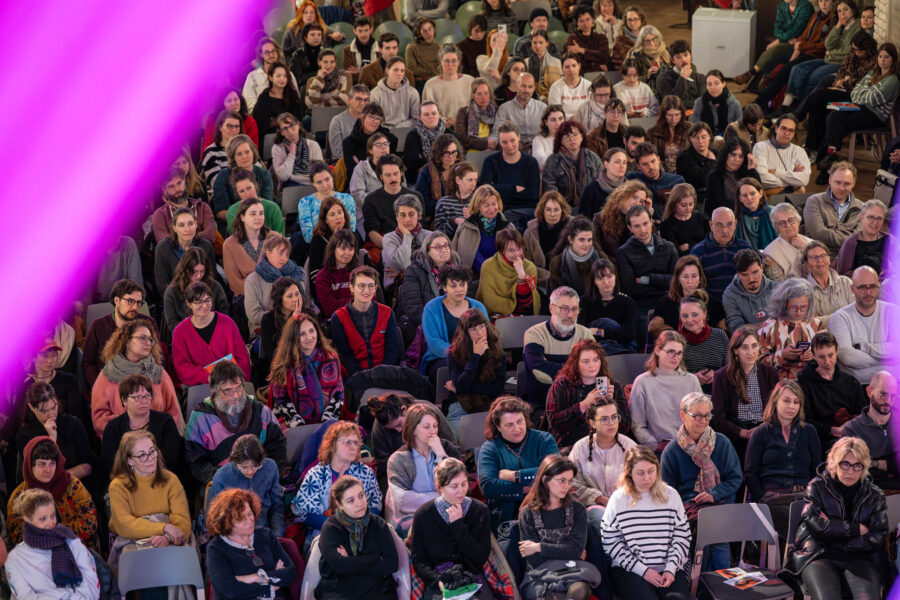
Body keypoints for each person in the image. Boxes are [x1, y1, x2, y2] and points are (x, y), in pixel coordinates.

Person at [786, 437, 887, 600]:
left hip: (860, 557)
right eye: (845, 464)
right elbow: (816, 526)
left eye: (857, 465)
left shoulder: (875, 495)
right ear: (833, 462)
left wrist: (835, 535)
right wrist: (855, 529)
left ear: (865, 466)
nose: (851, 471)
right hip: (819, 554)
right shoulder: (817, 486)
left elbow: (877, 537)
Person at [660, 392, 742, 571]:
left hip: (721, 501)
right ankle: (703, 580)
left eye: (707, 415)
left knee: (715, 527)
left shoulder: (722, 442)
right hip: (688, 507)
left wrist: (714, 495)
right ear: (683, 415)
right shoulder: (671, 451)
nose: (703, 421)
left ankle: (717, 580)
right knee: (704, 528)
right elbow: (667, 492)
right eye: (697, 416)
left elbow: (735, 478)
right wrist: (690, 503)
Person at [601, 446, 694, 600]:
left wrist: (670, 568)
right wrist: (643, 571)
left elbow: (682, 536)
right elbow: (610, 542)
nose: (647, 477)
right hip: (630, 570)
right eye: (640, 473)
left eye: (651, 471)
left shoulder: (671, 495)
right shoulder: (618, 499)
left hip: (669, 568)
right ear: (629, 473)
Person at [185, 361, 287, 486]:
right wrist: (229, 480)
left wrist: (265, 477)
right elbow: (197, 464)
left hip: (261, 480)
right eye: (228, 390)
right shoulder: (200, 419)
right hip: (223, 485)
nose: (236, 395)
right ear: (214, 391)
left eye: (239, 388)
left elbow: (279, 449)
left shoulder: (261, 412)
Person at [409, 457, 493, 600]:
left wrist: (458, 525)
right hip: (440, 579)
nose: (461, 491)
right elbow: (419, 560)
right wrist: (438, 581)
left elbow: (480, 557)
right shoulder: (423, 515)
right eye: (454, 486)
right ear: (439, 487)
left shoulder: (480, 510)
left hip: (472, 577)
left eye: (464, 484)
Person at [517, 455, 599, 600]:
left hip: (572, 571)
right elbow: (534, 559)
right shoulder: (528, 512)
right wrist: (566, 551)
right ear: (545, 480)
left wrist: (539, 547)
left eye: (570, 481)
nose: (567, 486)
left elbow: (575, 550)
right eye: (562, 480)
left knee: (579, 590)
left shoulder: (577, 510)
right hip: (539, 575)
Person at [744, 380, 821, 533]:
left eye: (796, 402)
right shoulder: (761, 433)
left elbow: (817, 469)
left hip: (804, 496)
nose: (791, 406)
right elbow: (750, 472)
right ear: (775, 401)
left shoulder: (809, 431)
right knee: (804, 523)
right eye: (786, 400)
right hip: (773, 499)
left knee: (819, 518)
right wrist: (762, 497)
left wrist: (813, 495)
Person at [814, 42, 899, 180]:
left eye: (887, 57)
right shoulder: (873, 73)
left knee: (839, 124)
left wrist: (863, 93)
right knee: (833, 116)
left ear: (893, 59)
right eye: (880, 57)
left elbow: (873, 99)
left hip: (876, 115)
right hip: (861, 108)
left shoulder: (893, 80)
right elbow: (854, 93)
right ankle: (830, 156)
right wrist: (864, 94)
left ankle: (825, 163)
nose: (882, 60)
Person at [292, 421, 381, 546]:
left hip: (361, 532)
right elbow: (305, 513)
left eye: (356, 443)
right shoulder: (316, 474)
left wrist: (359, 525)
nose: (353, 447)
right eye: (347, 442)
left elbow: (375, 505)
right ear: (332, 444)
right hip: (324, 533)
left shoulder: (366, 473)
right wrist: (338, 526)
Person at [477, 396, 560, 529]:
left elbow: (556, 471)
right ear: (498, 427)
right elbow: (488, 486)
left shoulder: (544, 439)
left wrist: (514, 475)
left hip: (545, 506)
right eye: (509, 424)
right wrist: (526, 489)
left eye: (520, 421)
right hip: (506, 513)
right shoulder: (490, 448)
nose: (517, 428)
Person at [107, 430, 191, 560]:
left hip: (170, 540)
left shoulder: (171, 480)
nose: (150, 458)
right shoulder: (118, 486)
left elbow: (183, 521)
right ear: (130, 461)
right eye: (142, 455)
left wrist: (167, 537)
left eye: (152, 451)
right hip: (133, 541)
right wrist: (164, 527)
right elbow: (124, 525)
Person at [91, 320, 182, 438]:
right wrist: (132, 430)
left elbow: (174, 411)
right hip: (122, 441)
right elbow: (99, 418)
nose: (148, 343)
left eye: (150, 339)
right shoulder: (108, 374)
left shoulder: (159, 373)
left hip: (158, 440)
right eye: (143, 338)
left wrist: (157, 432)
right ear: (127, 342)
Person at [4, 488, 99, 600]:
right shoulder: (15, 559)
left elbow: (91, 583)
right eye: (43, 519)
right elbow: (25, 596)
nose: (50, 523)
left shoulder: (72, 541)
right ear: (27, 519)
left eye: (52, 516)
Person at [6, 437, 99, 551]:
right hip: (36, 554)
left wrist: (55, 533)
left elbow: (90, 522)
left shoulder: (72, 485)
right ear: (30, 465)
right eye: (42, 464)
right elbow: (16, 537)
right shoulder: (20, 496)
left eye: (52, 463)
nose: (48, 469)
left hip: (76, 548)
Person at [317, 475, 400, 600]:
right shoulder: (331, 528)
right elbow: (340, 565)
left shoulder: (378, 524)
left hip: (378, 589)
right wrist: (374, 557)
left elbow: (392, 564)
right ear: (339, 504)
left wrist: (351, 561)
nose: (359, 503)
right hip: (340, 590)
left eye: (361, 495)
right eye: (351, 500)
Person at [206, 489, 298, 600]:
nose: (249, 521)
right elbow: (230, 590)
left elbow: (290, 573)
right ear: (227, 523)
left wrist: (256, 577)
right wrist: (272, 582)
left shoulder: (266, 535)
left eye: (249, 513)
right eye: (241, 519)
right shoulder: (216, 548)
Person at [796, 31, 878, 153]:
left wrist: (848, 80)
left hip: (855, 96)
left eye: (858, 50)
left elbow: (862, 84)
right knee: (818, 105)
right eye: (854, 49)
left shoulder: (873, 61)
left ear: (866, 48)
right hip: (843, 89)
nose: (856, 52)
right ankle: (812, 147)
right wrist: (839, 79)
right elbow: (842, 69)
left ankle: (797, 118)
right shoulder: (853, 54)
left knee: (820, 95)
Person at [385, 403, 461, 534]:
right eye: (426, 427)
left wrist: (441, 455)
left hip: (448, 513)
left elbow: (457, 486)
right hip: (411, 518)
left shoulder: (448, 450)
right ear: (413, 429)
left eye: (435, 426)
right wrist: (443, 498)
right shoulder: (398, 459)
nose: (433, 431)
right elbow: (402, 500)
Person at [752, 0, 838, 112]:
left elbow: (823, 46)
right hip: (803, 50)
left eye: (827, 1)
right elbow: (804, 34)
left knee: (784, 71)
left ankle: (760, 103)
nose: (823, 4)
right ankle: (765, 102)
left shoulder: (834, 19)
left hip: (814, 54)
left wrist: (801, 46)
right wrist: (798, 46)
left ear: (833, 2)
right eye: (821, 1)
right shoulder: (817, 15)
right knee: (772, 64)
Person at [711, 326, 779, 461]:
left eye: (754, 346)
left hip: (765, 428)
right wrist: (743, 433)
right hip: (736, 433)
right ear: (735, 351)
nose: (751, 352)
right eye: (744, 347)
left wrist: (763, 427)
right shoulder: (721, 376)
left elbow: (776, 410)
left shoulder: (770, 373)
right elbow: (718, 418)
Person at [630, 330, 703, 453]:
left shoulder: (691, 380)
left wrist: (694, 442)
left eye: (679, 353)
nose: (676, 357)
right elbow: (637, 425)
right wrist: (654, 445)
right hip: (659, 449)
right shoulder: (642, 382)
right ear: (657, 350)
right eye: (671, 352)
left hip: (690, 446)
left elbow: (702, 417)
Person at [523, 287, 595, 409]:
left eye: (575, 309)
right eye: (564, 309)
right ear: (552, 308)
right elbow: (539, 372)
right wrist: (579, 370)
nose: (570, 315)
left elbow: (594, 369)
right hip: (543, 403)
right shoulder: (534, 334)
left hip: (580, 402)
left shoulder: (585, 334)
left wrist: (550, 365)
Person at [268, 313, 344, 428]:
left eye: (311, 331)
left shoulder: (331, 358)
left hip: (327, 420)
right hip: (292, 422)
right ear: (292, 337)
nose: (309, 337)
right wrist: (300, 426)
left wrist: (326, 423)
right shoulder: (282, 364)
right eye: (302, 334)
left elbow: (338, 394)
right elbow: (281, 400)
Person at [546, 339, 625, 449]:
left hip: (605, 445)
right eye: (586, 361)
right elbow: (554, 423)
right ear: (576, 364)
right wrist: (582, 406)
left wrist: (612, 405)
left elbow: (625, 426)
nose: (592, 365)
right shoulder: (562, 385)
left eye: (596, 360)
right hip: (570, 445)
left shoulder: (613, 385)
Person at [99, 374, 181, 480]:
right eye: (137, 397)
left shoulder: (165, 421)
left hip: (160, 478)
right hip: (125, 480)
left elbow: (170, 460)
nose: (144, 400)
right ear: (124, 401)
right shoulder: (113, 428)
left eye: (147, 396)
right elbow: (110, 464)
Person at [616, 204, 678, 342]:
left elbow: (676, 281)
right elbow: (630, 288)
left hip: (668, 300)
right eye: (637, 226)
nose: (643, 229)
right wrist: (663, 283)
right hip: (642, 305)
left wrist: (647, 279)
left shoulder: (668, 247)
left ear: (651, 222)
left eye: (645, 223)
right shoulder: (624, 252)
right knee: (650, 335)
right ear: (630, 228)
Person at [798, 331, 867, 452]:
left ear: (837, 352)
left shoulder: (851, 382)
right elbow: (804, 420)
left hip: (851, 434)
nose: (827, 361)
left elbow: (862, 413)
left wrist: (849, 427)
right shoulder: (805, 382)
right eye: (821, 357)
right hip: (821, 439)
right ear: (813, 356)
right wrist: (832, 430)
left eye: (831, 355)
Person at [172, 281, 252, 386]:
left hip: (232, 382)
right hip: (201, 386)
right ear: (189, 303)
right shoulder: (180, 332)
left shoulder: (227, 323)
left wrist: (235, 380)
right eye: (199, 302)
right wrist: (206, 377)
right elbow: (182, 368)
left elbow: (242, 357)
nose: (204, 305)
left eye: (207, 300)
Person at [369, 395, 456, 490]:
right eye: (392, 429)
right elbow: (383, 465)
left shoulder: (428, 411)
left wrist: (440, 454)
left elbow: (452, 447)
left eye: (399, 424)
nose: (399, 430)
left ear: (404, 409)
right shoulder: (397, 456)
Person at [830, 266, 900, 383]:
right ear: (852, 289)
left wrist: (864, 347)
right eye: (862, 287)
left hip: (893, 385)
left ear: (878, 285)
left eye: (872, 286)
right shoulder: (840, 318)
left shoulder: (894, 312)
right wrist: (888, 360)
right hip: (855, 386)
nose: (868, 292)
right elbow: (848, 357)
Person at [82, 279, 157, 388]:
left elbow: (157, 357)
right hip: (108, 384)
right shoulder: (98, 326)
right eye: (130, 301)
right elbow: (88, 362)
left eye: (139, 303)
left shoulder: (148, 324)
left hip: (141, 385)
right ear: (117, 300)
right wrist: (100, 386)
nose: (135, 307)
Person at [18, 381, 96, 485]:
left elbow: (87, 467)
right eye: (44, 411)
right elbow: (40, 475)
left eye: (53, 407)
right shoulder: (24, 435)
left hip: (77, 484)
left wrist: (56, 479)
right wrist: (52, 438)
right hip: (44, 490)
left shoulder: (73, 423)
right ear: (31, 407)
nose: (51, 414)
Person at [329, 266, 402, 376]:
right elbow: (344, 354)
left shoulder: (387, 312)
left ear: (375, 288)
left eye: (371, 286)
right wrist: (362, 377)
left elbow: (392, 349)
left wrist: (383, 374)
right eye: (361, 286)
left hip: (385, 373)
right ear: (351, 288)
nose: (367, 290)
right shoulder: (338, 317)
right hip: (355, 375)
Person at [207, 435, 284, 536]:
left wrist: (277, 534)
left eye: (255, 466)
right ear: (234, 462)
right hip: (235, 534)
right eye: (244, 467)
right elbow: (218, 519)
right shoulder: (222, 477)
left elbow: (276, 505)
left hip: (265, 529)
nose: (250, 472)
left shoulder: (270, 467)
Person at [731, 0, 815, 90]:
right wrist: (784, 38)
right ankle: (754, 79)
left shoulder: (805, 7)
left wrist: (778, 41)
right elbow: (777, 30)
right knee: (772, 50)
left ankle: (752, 73)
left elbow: (797, 31)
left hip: (800, 42)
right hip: (787, 41)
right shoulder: (782, 6)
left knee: (775, 49)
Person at [422, 267, 487, 377]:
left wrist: (475, 355)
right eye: (453, 286)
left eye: (462, 285)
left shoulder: (478, 306)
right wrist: (464, 355)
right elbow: (435, 344)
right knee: (457, 369)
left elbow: (487, 335)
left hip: (475, 354)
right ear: (444, 287)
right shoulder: (432, 308)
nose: (459, 289)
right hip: (442, 357)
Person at [445, 308, 506, 424]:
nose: (479, 333)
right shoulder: (454, 353)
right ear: (466, 333)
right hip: (460, 404)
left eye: (482, 327)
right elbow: (462, 386)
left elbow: (497, 389)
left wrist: (459, 389)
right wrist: (476, 356)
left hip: (491, 403)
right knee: (459, 432)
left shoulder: (497, 352)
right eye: (473, 329)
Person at [757, 277, 825, 380]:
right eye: (794, 307)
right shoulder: (769, 326)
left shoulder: (817, 325)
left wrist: (815, 355)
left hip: (813, 381)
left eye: (803, 307)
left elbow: (829, 355)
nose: (799, 311)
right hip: (781, 383)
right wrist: (782, 355)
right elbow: (758, 362)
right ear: (784, 305)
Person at [397, 232, 461, 338]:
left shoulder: (459, 269)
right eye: (438, 247)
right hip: (427, 327)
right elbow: (413, 309)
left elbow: (468, 300)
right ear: (427, 251)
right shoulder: (414, 271)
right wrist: (440, 324)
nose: (444, 249)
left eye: (446, 245)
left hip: (456, 323)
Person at [244, 232, 311, 333]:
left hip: (299, 326)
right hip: (266, 330)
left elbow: (307, 304)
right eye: (280, 253)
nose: (285, 259)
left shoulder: (299, 273)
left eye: (287, 254)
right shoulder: (252, 280)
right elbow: (254, 316)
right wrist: (287, 318)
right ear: (268, 253)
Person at [843, 371, 899, 489]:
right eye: (883, 394)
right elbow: (852, 472)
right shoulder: (852, 429)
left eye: (893, 396)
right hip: (868, 493)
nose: (888, 401)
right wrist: (892, 464)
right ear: (869, 392)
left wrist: (875, 463)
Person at [649, 255, 725, 341]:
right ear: (678, 279)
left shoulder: (713, 303)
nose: (690, 281)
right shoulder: (665, 303)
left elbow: (721, 335)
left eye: (694, 276)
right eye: (685, 276)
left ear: (700, 277)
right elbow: (657, 332)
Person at [481, 121, 541, 230]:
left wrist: (500, 190)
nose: (509, 146)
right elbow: (485, 189)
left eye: (512, 140)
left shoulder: (530, 162)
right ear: (500, 142)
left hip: (527, 211)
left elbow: (533, 195)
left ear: (519, 137)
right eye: (504, 142)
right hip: (500, 210)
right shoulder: (491, 161)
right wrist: (514, 188)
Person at [163, 248, 229, 340]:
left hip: (215, 335)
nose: (199, 276)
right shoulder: (171, 292)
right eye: (194, 272)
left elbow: (224, 315)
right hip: (186, 338)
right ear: (185, 270)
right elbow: (173, 325)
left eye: (202, 271)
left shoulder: (215, 287)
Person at [20, 341, 83, 436]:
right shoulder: (26, 385)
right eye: (45, 356)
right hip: (36, 434)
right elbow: (21, 416)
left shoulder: (68, 380)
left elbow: (76, 413)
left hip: (65, 432)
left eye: (54, 355)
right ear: (34, 358)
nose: (50, 360)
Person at [450, 183, 516, 275]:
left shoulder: (508, 227)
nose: (492, 209)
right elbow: (471, 257)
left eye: (494, 204)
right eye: (486, 205)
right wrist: (492, 272)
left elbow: (515, 255)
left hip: (504, 275)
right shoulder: (467, 228)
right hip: (475, 277)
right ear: (478, 207)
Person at [476, 228, 541, 317]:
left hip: (524, 315)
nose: (517, 254)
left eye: (519, 249)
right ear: (502, 251)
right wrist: (512, 307)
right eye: (511, 250)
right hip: (497, 315)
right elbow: (489, 301)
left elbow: (527, 304)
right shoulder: (488, 266)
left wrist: (521, 276)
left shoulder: (530, 267)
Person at [802, 161, 863, 255]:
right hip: (819, 256)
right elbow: (819, 234)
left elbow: (860, 238)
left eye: (847, 184)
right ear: (830, 180)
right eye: (838, 182)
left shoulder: (863, 208)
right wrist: (849, 240)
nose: (841, 188)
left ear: (853, 183)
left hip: (849, 257)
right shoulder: (814, 202)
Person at [212, 135, 275, 223]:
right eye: (239, 154)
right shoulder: (223, 176)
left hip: (261, 220)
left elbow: (268, 205)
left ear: (253, 152)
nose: (244, 157)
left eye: (247, 152)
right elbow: (220, 212)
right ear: (233, 157)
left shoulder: (264, 174)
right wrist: (245, 220)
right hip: (234, 222)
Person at [362, 155, 420, 250]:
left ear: (401, 173)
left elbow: (422, 227)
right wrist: (393, 250)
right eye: (388, 175)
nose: (393, 179)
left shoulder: (416, 197)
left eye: (396, 174)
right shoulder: (370, 200)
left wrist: (409, 246)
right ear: (381, 176)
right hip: (385, 247)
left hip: (414, 245)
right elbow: (372, 232)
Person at [542, 121, 602, 212]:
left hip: (591, 209)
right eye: (566, 136)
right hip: (561, 211)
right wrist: (569, 212)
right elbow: (551, 193)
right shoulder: (552, 161)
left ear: (581, 136)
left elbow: (601, 186)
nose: (572, 139)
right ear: (561, 141)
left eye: (575, 135)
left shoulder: (593, 158)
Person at [581, 259, 637, 355]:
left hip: (620, 348)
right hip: (592, 348)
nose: (606, 282)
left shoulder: (627, 302)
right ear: (594, 281)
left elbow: (629, 334)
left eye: (609, 276)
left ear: (615, 277)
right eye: (600, 278)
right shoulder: (585, 301)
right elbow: (581, 330)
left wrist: (600, 332)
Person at [152, 167, 216, 245]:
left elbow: (210, 236)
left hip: (204, 251)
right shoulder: (160, 215)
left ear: (185, 181)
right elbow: (165, 245)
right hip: (176, 254)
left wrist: (179, 239)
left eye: (179, 183)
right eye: (171, 186)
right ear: (164, 190)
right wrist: (198, 237)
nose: (177, 189)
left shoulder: (203, 207)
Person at [297, 163, 356, 245]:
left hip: (344, 244)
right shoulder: (305, 202)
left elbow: (351, 230)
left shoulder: (347, 199)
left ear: (332, 177)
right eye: (319, 182)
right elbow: (308, 237)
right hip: (318, 246)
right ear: (313, 184)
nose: (324, 185)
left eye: (327, 179)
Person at [751, 114, 810, 196]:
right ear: (776, 128)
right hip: (768, 197)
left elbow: (804, 180)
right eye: (783, 128)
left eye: (791, 130)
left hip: (793, 197)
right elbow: (762, 179)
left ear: (794, 133)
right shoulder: (760, 147)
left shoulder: (799, 151)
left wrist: (777, 172)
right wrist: (793, 181)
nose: (787, 133)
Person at [593, 179, 652, 257]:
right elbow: (597, 248)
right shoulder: (600, 218)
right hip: (611, 262)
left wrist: (647, 214)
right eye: (634, 197)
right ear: (623, 196)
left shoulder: (639, 220)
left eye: (641, 201)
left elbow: (654, 245)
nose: (637, 203)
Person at [722, 248, 778, 331]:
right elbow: (736, 329)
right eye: (745, 275)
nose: (751, 279)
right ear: (738, 274)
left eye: (755, 272)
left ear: (761, 268)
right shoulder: (730, 295)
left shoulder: (777, 289)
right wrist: (770, 325)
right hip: (749, 339)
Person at [342, 103, 398, 184]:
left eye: (378, 118)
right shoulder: (349, 142)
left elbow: (390, 167)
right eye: (371, 117)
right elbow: (353, 172)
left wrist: (361, 165)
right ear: (362, 116)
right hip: (359, 183)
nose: (375, 121)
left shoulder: (389, 139)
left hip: (385, 181)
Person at [703, 138, 760, 216]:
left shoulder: (750, 173)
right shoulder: (714, 176)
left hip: (751, 216)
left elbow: (759, 198)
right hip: (725, 217)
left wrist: (751, 170)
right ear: (725, 155)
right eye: (733, 155)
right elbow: (716, 205)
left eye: (741, 156)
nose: (737, 159)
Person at [625, 143, 685, 217]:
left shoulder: (677, 181)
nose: (650, 166)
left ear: (658, 159)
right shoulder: (632, 180)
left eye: (653, 161)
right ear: (638, 166)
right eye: (645, 164)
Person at [242, 37, 299, 112]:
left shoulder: (288, 74)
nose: (271, 55)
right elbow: (249, 103)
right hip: (261, 114)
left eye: (273, 51)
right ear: (261, 55)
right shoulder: (252, 77)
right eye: (267, 52)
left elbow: (296, 98)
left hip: (286, 113)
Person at [491, 73, 547, 149]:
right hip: (514, 148)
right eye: (523, 86)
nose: (526, 90)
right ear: (516, 87)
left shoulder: (543, 107)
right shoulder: (504, 108)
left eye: (530, 87)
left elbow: (550, 131)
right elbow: (497, 132)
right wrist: (491, 143)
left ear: (534, 89)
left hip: (539, 146)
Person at [271, 113, 325, 191]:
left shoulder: (313, 145)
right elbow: (283, 176)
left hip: (312, 186)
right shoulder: (277, 148)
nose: (290, 131)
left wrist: (295, 177)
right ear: (281, 132)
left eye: (292, 126)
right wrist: (292, 154)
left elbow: (320, 173)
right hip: (289, 187)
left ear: (298, 125)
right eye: (285, 128)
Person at [837, 200, 892, 276]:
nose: (875, 222)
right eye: (871, 217)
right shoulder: (851, 243)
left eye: (879, 218)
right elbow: (843, 274)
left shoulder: (890, 240)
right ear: (861, 218)